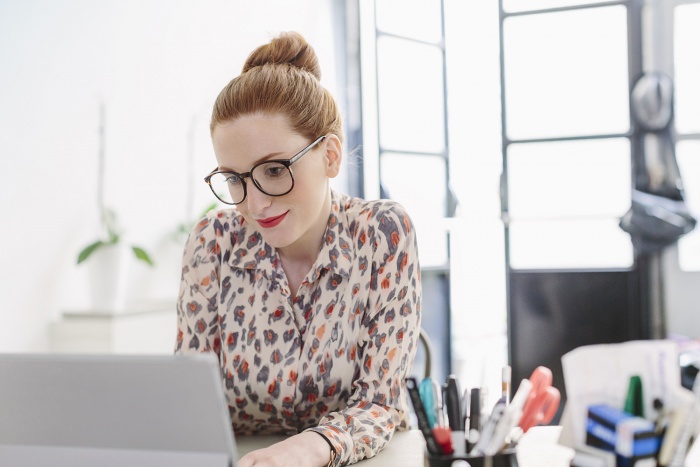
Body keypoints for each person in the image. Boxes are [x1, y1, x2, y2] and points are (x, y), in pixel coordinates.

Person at [175, 31, 422, 467]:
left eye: (274, 170)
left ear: (330, 156)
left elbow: (380, 403)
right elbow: (190, 399)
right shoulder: (213, 240)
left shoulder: (382, 233)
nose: (254, 204)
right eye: (234, 179)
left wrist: (310, 446)